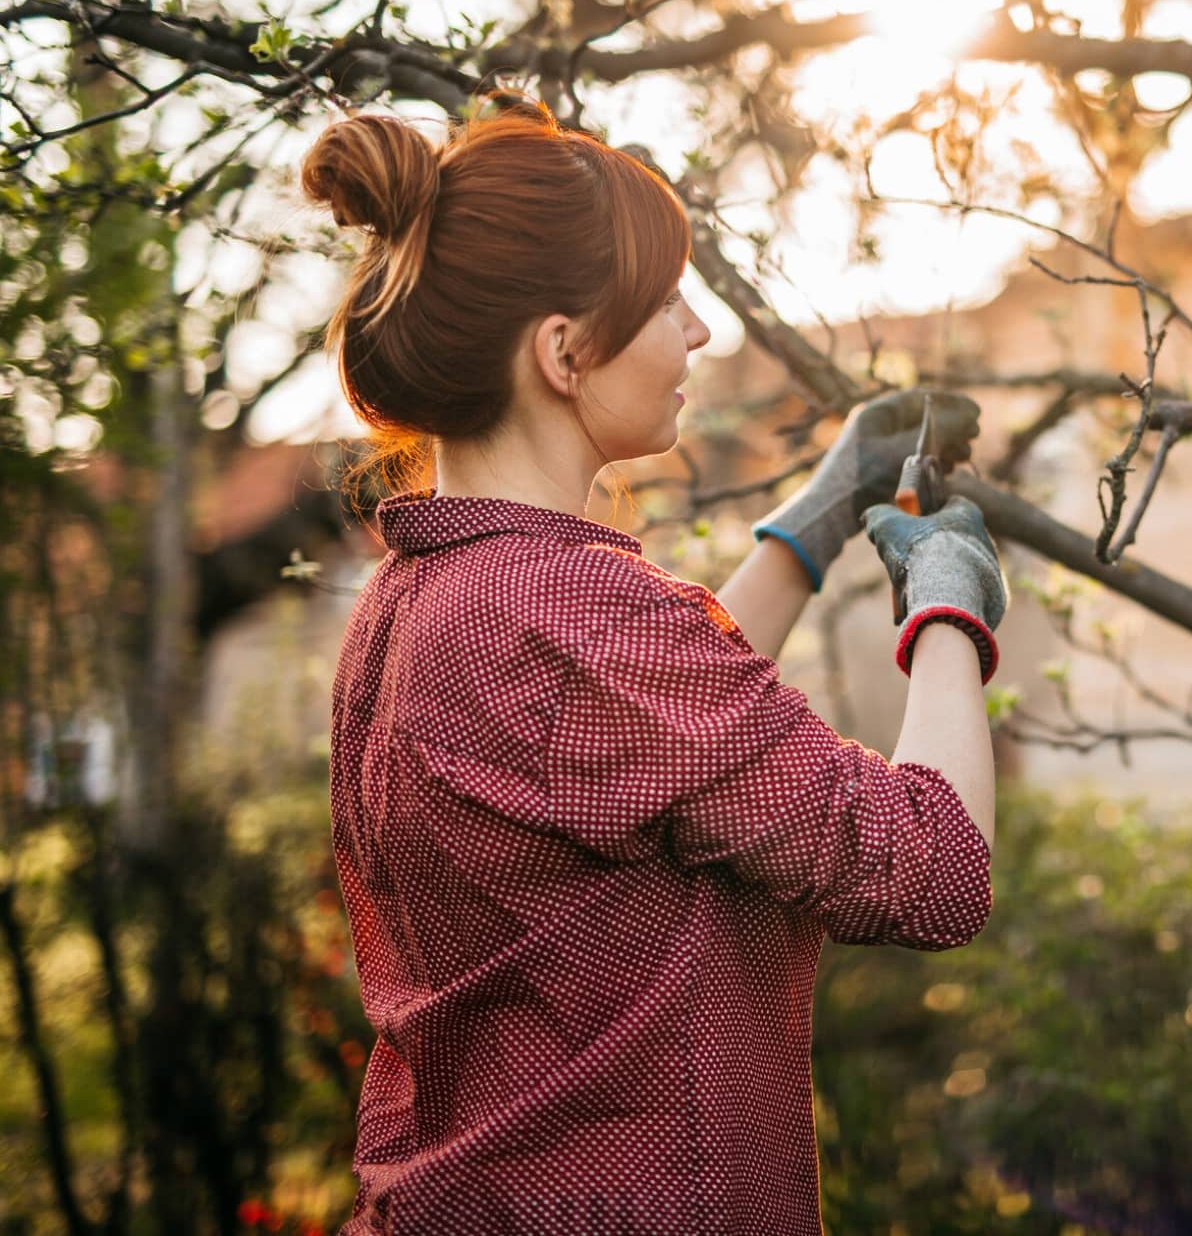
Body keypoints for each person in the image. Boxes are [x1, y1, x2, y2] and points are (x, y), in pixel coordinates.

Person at [303, 96, 1007, 1236]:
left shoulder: (417, 598)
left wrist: (818, 520)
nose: (699, 332)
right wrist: (948, 606)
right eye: (665, 302)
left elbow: (643, 746)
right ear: (564, 351)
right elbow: (932, 870)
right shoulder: (571, 613)